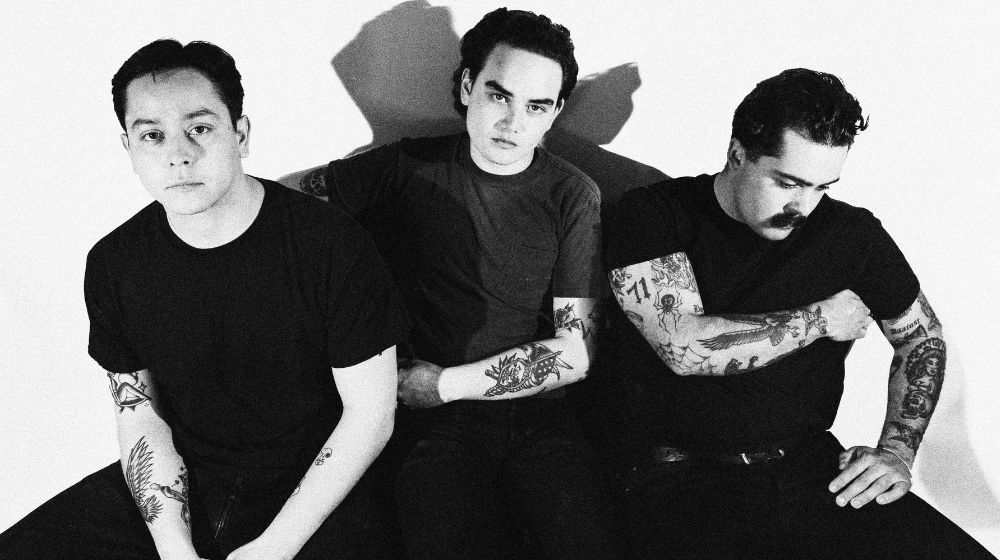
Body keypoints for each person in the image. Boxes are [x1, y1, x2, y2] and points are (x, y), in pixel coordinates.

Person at [0, 39, 409, 560]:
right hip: (189, 472)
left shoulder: (330, 244)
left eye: (199, 128)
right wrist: (173, 546)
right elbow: (140, 415)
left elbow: (370, 417)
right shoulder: (114, 263)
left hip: (317, 479)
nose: (179, 154)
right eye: (152, 135)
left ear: (240, 134)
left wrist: (274, 547)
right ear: (129, 148)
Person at [603, 68, 996, 559]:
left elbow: (922, 337)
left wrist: (897, 451)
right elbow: (683, 346)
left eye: (821, 187)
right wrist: (822, 319)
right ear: (737, 154)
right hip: (680, 484)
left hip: (809, 471)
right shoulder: (652, 215)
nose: (802, 207)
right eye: (788, 183)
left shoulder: (850, 234)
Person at [287, 8, 615, 560]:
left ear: (556, 113)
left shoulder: (573, 195)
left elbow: (575, 354)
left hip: (537, 415)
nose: (513, 122)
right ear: (467, 87)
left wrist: (442, 384)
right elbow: (285, 199)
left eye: (536, 106)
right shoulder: (407, 166)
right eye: (499, 96)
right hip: (438, 426)